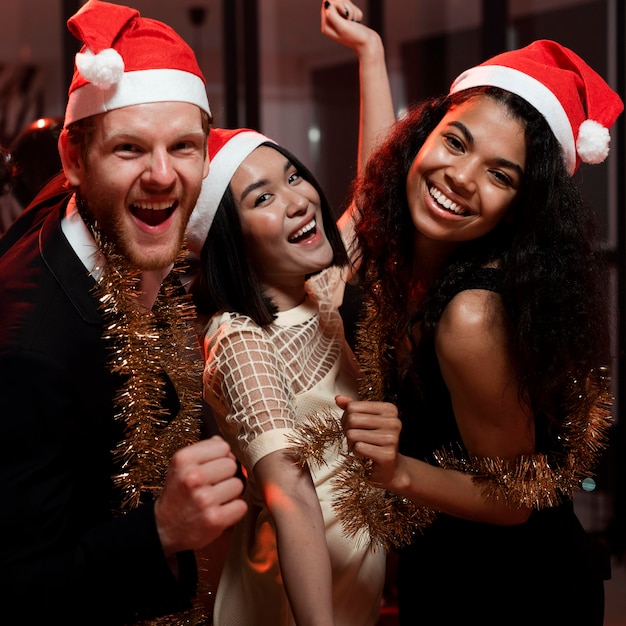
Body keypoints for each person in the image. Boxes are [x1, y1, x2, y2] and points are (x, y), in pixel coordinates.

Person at [336, 39, 623, 626]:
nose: (461, 178)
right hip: (446, 565)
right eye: (455, 141)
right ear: (423, 137)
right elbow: (372, 185)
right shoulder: (407, 253)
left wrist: (398, 473)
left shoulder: (471, 315)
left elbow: (518, 498)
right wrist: (370, 52)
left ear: (520, 207)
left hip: (513, 590)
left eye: (500, 174)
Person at [0, 2, 247, 624]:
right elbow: (17, 586)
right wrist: (161, 529)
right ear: (74, 160)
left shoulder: (123, 235)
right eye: (130, 148)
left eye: (184, 146)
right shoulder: (30, 350)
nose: (163, 175)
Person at [185, 3, 394, 624]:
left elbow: (376, 191)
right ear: (232, 238)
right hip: (287, 602)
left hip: (354, 585)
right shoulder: (240, 339)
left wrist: (369, 54)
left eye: (294, 175)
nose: (300, 199)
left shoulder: (314, 287)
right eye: (263, 197)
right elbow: (291, 492)